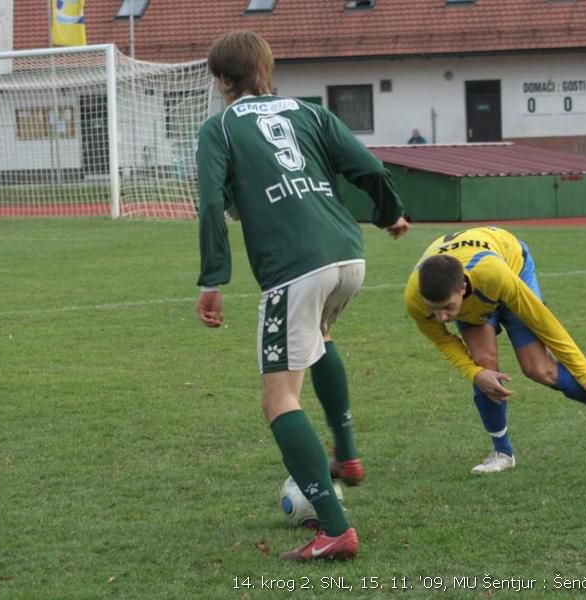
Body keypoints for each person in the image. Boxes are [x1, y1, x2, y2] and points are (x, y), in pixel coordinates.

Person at [195, 31, 409, 562]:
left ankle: (334, 528)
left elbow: (209, 204)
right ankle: (348, 456)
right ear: (269, 69)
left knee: (277, 398)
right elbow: (369, 166)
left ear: (222, 79)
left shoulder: (219, 126)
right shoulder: (311, 113)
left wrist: (212, 280)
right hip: (348, 255)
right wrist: (389, 213)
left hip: (296, 269)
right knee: (320, 338)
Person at [404, 226, 586, 474]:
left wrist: (584, 371)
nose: (440, 317)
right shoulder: (416, 298)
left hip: (512, 268)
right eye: (433, 308)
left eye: (447, 307)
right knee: (484, 367)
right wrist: (474, 373)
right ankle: (502, 453)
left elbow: (542, 320)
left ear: (461, 288)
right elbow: (443, 340)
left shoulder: (493, 274)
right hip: (475, 294)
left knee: (539, 369)